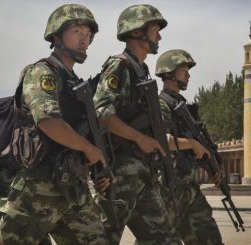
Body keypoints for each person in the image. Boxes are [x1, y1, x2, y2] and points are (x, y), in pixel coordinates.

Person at [0, 4, 110, 244]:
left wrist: (99, 167)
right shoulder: (43, 72)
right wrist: (89, 150)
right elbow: (48, 122)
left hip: (74, 188)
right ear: (57, 35)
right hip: (39, 186)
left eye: (88, 35)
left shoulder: (75, 84)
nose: (84, 40)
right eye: (77, 31)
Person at [93, 4, 183, 244]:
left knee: (166, 239)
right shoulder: (120, 65)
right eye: (155, 29)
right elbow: (101, 111)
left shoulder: (141, 70)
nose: (160, 36)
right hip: (121, 171)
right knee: (103, 238)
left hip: (142, 172)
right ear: (136, 32)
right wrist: (139, 138)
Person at [155, 49, 225, 245]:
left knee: (209, 238)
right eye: (183, 69)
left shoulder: (183, 106)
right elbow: (161, 140)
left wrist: (211, 166)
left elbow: (195, 149)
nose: (188, 74)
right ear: (169, 72)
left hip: (190, 188)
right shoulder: (160, 104)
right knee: (158, 240)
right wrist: (192, 144)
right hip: (169, 189)